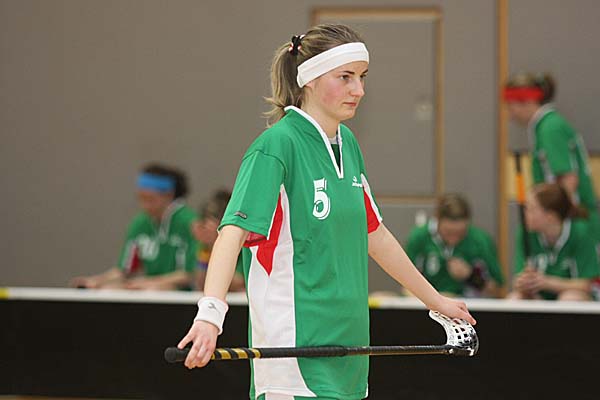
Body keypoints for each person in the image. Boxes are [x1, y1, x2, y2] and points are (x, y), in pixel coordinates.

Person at [177, 24, 475, 400]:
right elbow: (231, 234)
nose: (359, 90)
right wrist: (210, 315)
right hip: (293, 355)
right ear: (309, 79)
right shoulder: (276, 146)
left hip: (349, 354)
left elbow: (375, 234)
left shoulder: (347, 144)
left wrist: (437, 302)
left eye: (362, 77)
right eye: (345, 77)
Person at [503, 72, 600, 245]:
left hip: (576, 223)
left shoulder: (550, 128)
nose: (509, 114)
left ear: (527, 101)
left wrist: (557, 221)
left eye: (510, 106)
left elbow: (568, 180)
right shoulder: (545, 126)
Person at [70, 163, 198, 290]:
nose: (145, 205)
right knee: (109, 290)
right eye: (141, 198)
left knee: (152, 290)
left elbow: (191, 273)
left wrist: (150, 282)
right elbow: (125, 269)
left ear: (169, 195)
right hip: (149, 286)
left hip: (180, 293)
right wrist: (97, 281)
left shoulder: (189, 222)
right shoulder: (141, 222)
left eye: (150, 199)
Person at [509, 183, 599, 301]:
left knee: (570, 298)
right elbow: (517, 278)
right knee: (515, 298)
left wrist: (547, 282)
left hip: (576, 296)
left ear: (550, 216)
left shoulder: (581, 233)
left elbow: (588, 284)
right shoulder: (525, 234)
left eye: (530, 209)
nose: (524, 213)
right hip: (540, 297)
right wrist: (522, 283)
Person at [405, 194, 504, 298]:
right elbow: (405, 282)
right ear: (437, 220)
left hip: (469, 304)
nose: (453, 239)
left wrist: (471, 276)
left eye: (460, 233)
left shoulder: (480, 240)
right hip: (427, 303)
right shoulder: (419, 237)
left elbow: (498, 290)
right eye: (448, 232)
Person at [192, 189, 245, 291]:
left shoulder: (244, 244)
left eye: (213, 218)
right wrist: (209, 247)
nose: (207, 227)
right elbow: (201, 283)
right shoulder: (205, 247)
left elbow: (237, 283)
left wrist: (220, 241)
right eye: (205, 219)